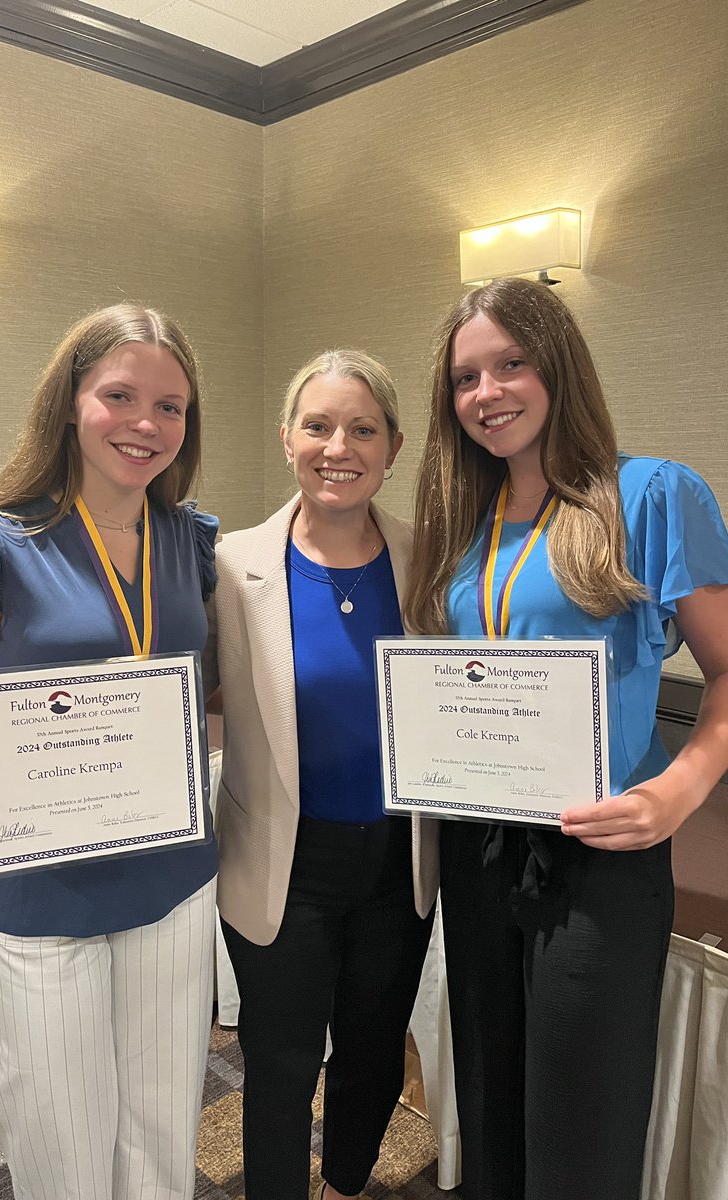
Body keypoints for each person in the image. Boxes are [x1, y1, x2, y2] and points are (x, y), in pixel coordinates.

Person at [403, 277, 728, 1200]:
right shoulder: (462, 518)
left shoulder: (648, 494)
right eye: (465, 378)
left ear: (558, 364)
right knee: (487, 1098)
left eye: (510, 364)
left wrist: (675, 793)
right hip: (477, 844)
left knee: (582, 1120)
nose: (486, 393)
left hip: (601, 852)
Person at [0, 303, 220, 1200]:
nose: (146, 424)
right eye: (120, 396)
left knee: (160, 1125)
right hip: (40, 885)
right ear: (70, 402)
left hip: (173, 877)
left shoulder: (194, 543)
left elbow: (204, 689)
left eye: (171, 406)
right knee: (60, 1133)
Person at [208, 350, 439, 1200]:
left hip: (395, 863)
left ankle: (345, 1184)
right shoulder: (231, 566)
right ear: (286, 438)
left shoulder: (430, 559)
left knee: (374, 1052)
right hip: (281, 865)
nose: (338, 445)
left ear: (393, 447)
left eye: (362, 428)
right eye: (318, 425)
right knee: (277, 1061)